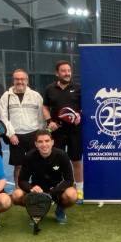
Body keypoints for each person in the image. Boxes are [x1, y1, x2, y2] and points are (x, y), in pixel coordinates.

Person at [12, 130, 76, 224]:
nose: (44, 144)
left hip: (56, 191)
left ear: (52, 142)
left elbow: (69, 180)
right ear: (36, 144)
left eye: (47, 141)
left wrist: (54, 191)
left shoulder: (62, 155)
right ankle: (34, 210)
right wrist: (32, 188)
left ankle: (60, 209)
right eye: (40, 142)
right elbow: (22, 180)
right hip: (37, 192)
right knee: (16, 195)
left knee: (72, 194)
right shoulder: (29, 157)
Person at [43, 60, 83, 195]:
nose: (67, 73)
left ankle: (80, 191)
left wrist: (79, 115)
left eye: (69, 71)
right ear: (57, 73)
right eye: (64, 71)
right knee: (56, 160)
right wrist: (49, 121)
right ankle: (56, 189)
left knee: (76, 160)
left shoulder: (78, 88)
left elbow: (85, 107)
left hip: (74, 131)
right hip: (57, 131)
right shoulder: (49, 89)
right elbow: (45, 106)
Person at [0, 69, 44, 186]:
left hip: (33, 135)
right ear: (13, 80)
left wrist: (39, 134)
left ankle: (36, 187)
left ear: (27, 80)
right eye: (17, 79)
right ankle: (18, 189)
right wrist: (11, 134)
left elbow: (41, 116)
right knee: (18, 165)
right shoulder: (6, 96)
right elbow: (2, 117)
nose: (20, 81)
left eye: (22, 79)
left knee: (36, 163)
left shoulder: (36, 96)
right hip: (15, 136)